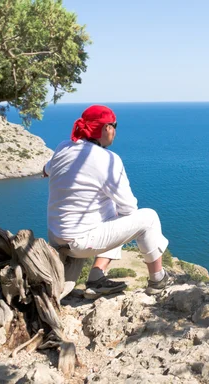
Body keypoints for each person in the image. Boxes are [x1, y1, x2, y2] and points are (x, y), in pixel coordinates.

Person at [43, 105, 171, 299]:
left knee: (111, 211)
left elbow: (45, 170)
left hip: (56, 237)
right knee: (148, 217)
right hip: (82, 242)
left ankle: (96, 278)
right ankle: (157, 280)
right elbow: (129, 208)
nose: (115, 131)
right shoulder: (108, 159)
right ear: (105, 128)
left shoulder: (63, 147)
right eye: (114, 125)